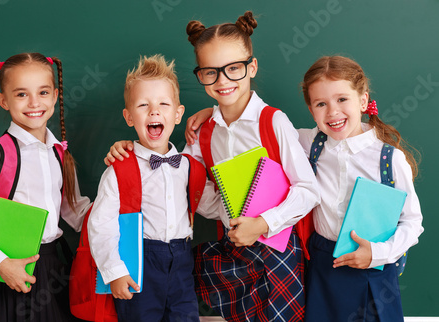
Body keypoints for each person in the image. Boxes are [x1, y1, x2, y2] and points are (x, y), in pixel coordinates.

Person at [105, 12, 319, 322]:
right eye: (210, 72)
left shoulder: (273, 121)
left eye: (234, 69)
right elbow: (193, 191)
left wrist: (261, 224)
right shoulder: (203, 133)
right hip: (235, 250)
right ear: (200, 75)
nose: (223, 81)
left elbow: (308, 191)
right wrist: (131, 150)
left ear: (252, 67)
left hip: (278, 251)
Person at [0, 52, 91, 321]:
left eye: (42, 92)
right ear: (3, 100)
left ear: (55, 95)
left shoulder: (58, 153)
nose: (34, 103)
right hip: (8, 271)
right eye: (21, 94)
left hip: (52, 267)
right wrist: (1, 265)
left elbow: (71, 210)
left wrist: (114, 215)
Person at [88, 54, 221, 322]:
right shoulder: (119, 168)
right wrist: (114, 271)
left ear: (178, 113)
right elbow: (101, 225)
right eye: (143, 105)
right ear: (128, 117)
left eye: (163, 103)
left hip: (182, 261)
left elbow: (210, 205)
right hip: (139, 264)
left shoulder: (189, 167)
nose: (154, 111)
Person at [298, 55, 424, 322]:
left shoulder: (388, 159)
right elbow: (264, 126)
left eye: (342, 99)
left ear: (364, 101)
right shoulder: (308, 143)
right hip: (323, 265)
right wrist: (211, 112)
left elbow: (412, 222)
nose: (332, 112)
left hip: (373, 270)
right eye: (321, 104)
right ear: (312, 110)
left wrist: (377, 253)